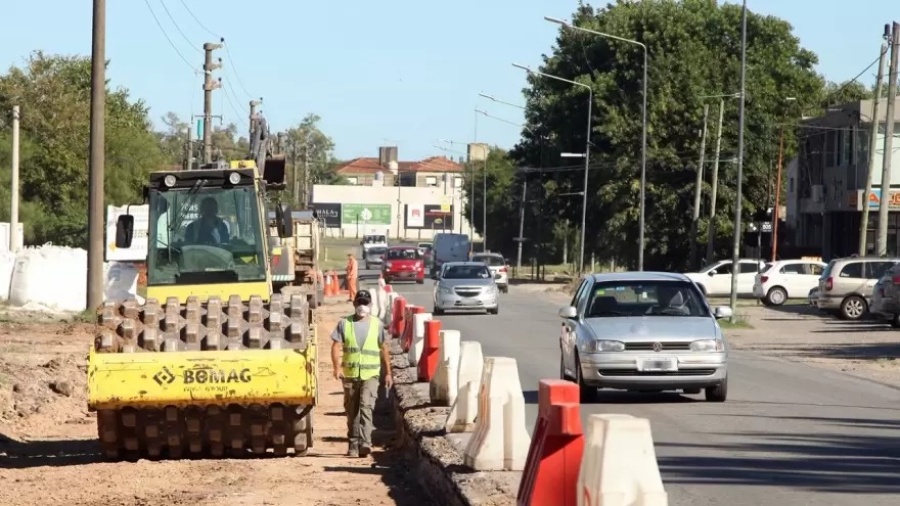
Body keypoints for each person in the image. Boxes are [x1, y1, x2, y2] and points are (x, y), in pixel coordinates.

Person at [330, 290, 393, 458]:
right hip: (350, 375)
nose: (362, 306)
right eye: (359, 303)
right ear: (354, 304)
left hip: (371, 374)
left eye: (365, 303)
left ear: (370, 305)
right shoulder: (344, 324)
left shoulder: (377, 324)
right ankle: (353, 444)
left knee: (366, 406)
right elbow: (335, 346)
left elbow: (384, 348)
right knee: (352, 411)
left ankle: (365, 443)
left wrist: (388, 373)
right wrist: (337, 367)